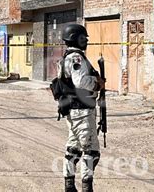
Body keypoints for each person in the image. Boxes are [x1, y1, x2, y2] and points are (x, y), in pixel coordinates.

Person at [58, 24, 105, 192]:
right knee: (91, 151)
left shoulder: (68, 57)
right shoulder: (76, 58)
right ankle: (87, 187)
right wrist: (97, 83)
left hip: (73, 110)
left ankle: (69, 186)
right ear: (76, 38)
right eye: (83, 38)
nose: (86, 41)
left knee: (74, 149)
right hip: (82, 110)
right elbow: (81, 82)